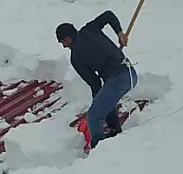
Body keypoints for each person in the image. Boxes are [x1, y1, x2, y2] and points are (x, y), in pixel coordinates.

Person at [56, 10, 138, 150]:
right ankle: (114, 129)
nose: (64, 46)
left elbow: (95, 83)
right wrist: (120, 33)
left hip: (118, 80)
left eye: (62, 42)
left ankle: (97, 150)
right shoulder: (90, 29)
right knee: (106, 96)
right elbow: (108, 15)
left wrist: (97, 103)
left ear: (67, 39)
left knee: (93, 116)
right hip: (130, 73)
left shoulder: (76, 57)